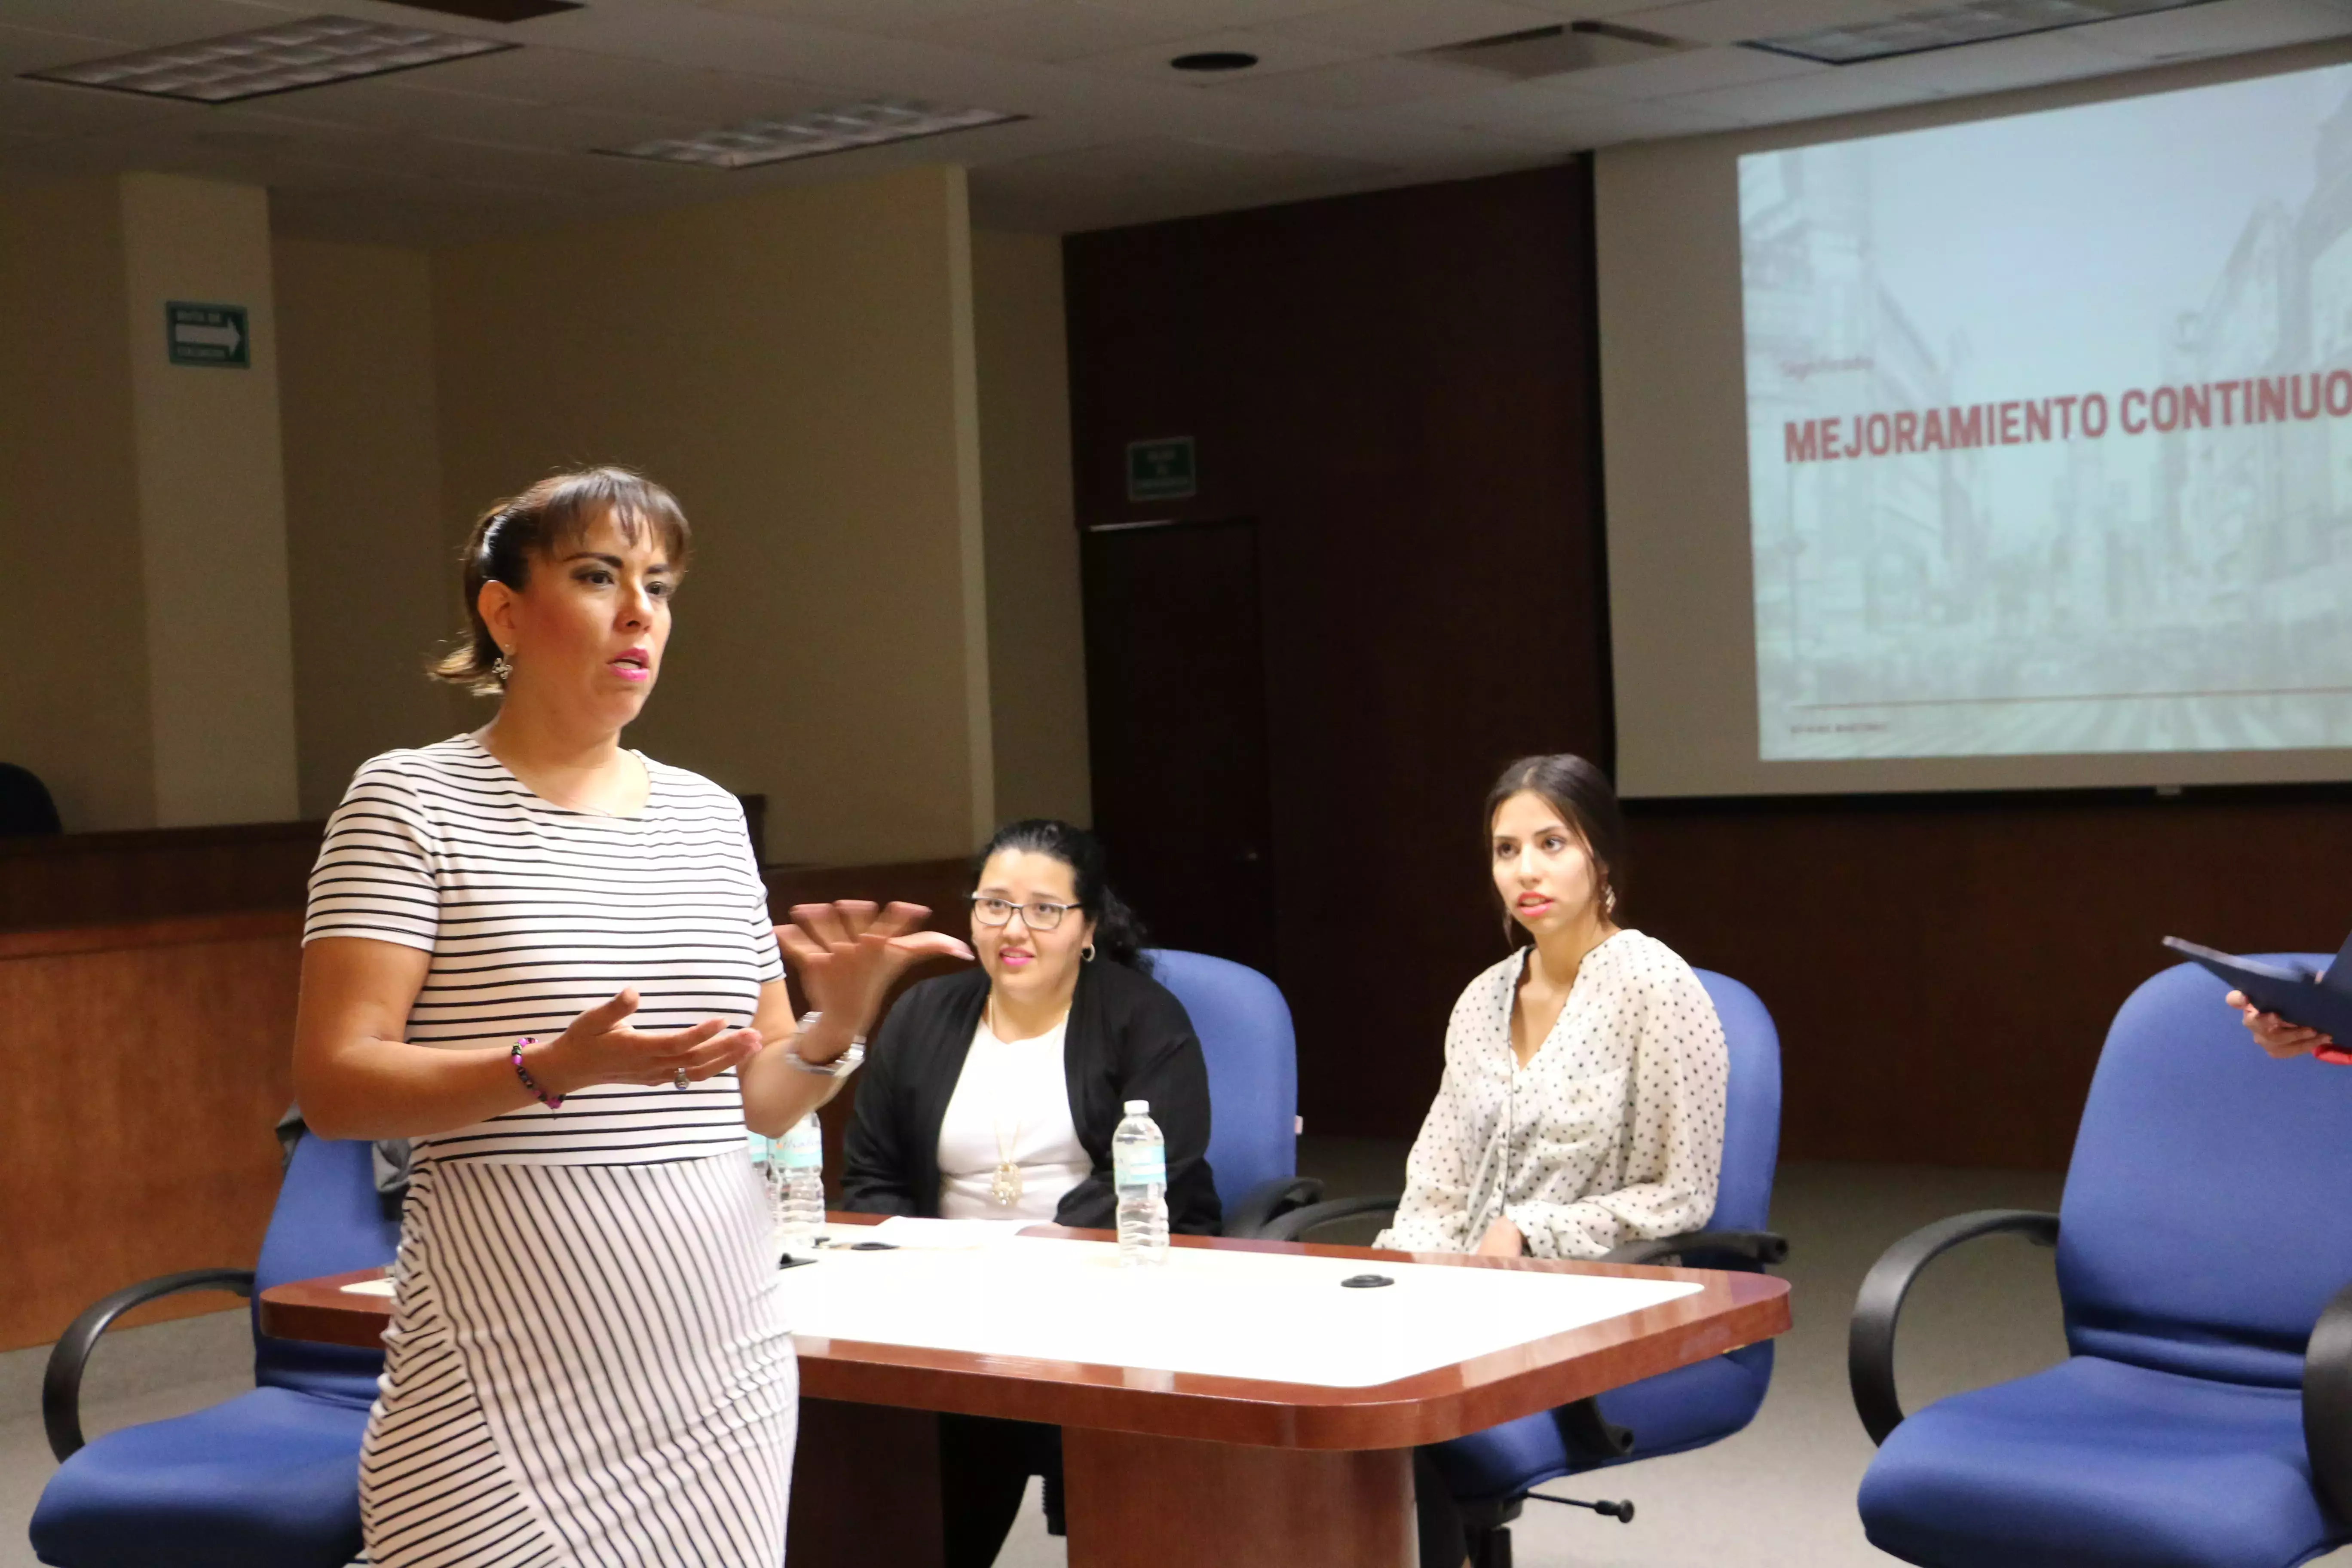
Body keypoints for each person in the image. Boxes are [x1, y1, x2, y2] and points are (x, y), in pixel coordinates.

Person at [294, 466, 965, 1568]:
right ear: (504, 611)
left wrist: (832, 1032)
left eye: (659, 583)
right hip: (504, 1363)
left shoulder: (706, 818)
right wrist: (549, 1067)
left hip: (719, 1360)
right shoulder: (408, 801)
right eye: (598, 576)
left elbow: (757, 1097)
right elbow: (336, 1088)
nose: (640, 610)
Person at [1377, 753, 1730, 1567]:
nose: (1525, 870)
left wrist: (1529, 1232)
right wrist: (1407, 1268)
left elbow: (1683, 1196)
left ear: (1601, 857)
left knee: (1412, 1414)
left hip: (1596, 1293)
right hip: (1466, 1291)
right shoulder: (1481, 999)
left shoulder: (1657, 987)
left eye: (1551, 843)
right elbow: (1435, 1180)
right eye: (1506, 850)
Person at [841, 817, 1219, 1567]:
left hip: (1107, 1299)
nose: (1016, 930)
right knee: (888, 1466)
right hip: (945, 1306)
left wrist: (1026, 1267)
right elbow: (872, 1175)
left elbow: (1155, 1172)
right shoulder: (922, 1017)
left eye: (1045, 909)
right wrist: (927, 1270)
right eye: (995, 906)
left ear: (1087, 927)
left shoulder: (1141, 1017)